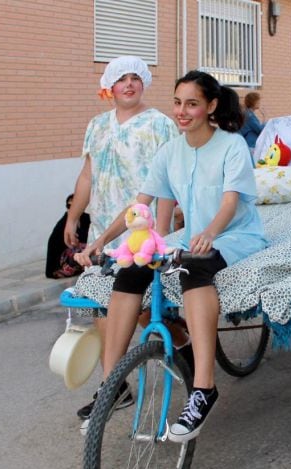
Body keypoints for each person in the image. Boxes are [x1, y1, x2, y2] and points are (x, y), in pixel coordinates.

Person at [76, 70, 268, 441]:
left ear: (210, 106)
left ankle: (203, 388)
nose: (182, 111)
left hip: (234, 237)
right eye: (178, 102)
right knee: (130, 272)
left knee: (191, 270)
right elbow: (140, 204)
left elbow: (230, 202)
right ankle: (111, 382)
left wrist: (210, 233)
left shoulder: (231, 146)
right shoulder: (170, 152)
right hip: (194, 237)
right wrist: (101, 241)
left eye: (192, 104)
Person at [66, 56, 179, 422]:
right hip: (104, 228)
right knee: (104, 304)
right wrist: (74, 217)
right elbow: (88, 175)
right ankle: (113, 386)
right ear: (109, 87)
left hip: (145, 231)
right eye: (121, 79)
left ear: (143, 83)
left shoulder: (160, 124)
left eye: (135, 78)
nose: (129, 85)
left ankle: (186, 344)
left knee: (144, 307)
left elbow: (172, 177)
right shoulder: (96, 125)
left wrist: (167, 222)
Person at [45, 194, 89, 279]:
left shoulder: (85, 218)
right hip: (63, 257)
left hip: (76, 251)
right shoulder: (64, 224)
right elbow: (71, 243)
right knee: (84, 251)